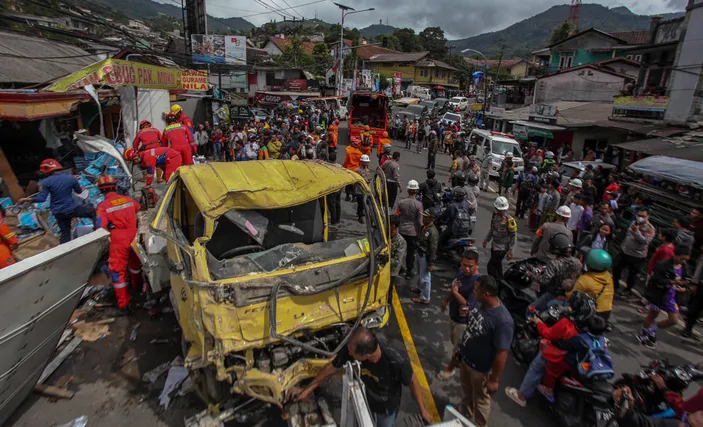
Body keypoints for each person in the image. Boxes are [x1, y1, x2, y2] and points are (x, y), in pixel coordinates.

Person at [292, 327, 433, 427]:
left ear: (365, 356)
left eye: (353, 354)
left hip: (386, 407)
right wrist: (306, 390)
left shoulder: (396, 361)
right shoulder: (353, 349)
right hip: (367, 398)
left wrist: (423, 410)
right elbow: (330, 369)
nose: (349, 355)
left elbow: (413, 381)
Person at [505, 291, 597, 407]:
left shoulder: (567, 324)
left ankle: (521, 395)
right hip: (574, 358)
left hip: (557, 355)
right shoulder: (588, 327)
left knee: (536, 367)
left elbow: (548, 334)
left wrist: (539, 323)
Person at [457, 275, 514, 427]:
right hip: (466, 361)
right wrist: (467, 313)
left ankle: (479, 424)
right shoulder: (480, 303)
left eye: (476, 290)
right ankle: (465, 411)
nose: (473, 292)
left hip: (480, 371)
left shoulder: (503, 321)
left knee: (481, 401)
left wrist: (494, 380)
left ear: (486, 294)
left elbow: (502, 353)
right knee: (467, 390)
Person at [18, 159, 95, 244]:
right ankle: (100, 231)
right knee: (93, 212)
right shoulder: (70, 177)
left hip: (58, 212)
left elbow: (42, 198)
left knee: (65, 232)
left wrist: (26, 199)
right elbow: (79, 191)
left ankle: (64, 250)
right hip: (71, 208)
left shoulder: (46, 182)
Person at [94, 175, 141, 315]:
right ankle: (137, 287)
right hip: (134, 234)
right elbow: (138, 208)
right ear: (115, 186)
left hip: (118, 238)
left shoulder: (103, 207)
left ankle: (124, 305)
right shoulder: (128, 199)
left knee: (117, 270)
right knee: (135, 265)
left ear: (101, 191)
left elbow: (100, 228)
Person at [637, 245, 690, 348]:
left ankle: (652, 330)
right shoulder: (662, 265)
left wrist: (683, 287)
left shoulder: (684, 266)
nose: (683, 261)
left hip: (671, 296)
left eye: (685, 260)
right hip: (658, 295)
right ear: (675, 254)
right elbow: (655, 281)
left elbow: (685, 280)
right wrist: (671, 282)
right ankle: (642, 334)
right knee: (652, 316)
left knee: (674, 320)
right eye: (681, 258)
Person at [438, 250, 480, 380]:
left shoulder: (477, 282)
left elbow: (469, 305)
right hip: (453, 315)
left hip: (463, 321)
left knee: (458, 347)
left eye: (470, 266)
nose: (466, 269)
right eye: (464, 265)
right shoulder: (460, 272)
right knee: (454, 340)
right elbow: (454, 288)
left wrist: (455, 293)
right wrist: (446, 300)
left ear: (477, 265)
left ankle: (450, 369)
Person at [530, 231, 582, 312]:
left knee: (530, 309)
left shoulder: (554, 263)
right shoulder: (577, 262)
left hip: (553, 293)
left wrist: (532, 276)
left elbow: (544, 280)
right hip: (569, 294)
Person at [612, 208, 656, 296]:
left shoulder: (650, 229)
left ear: (648, 217)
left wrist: (636, 231)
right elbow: (628, 233)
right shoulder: (634, 223)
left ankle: (628, 290)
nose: (640, 217)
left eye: (643, 216)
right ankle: (615, 285)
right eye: (639, 215)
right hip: (624, 251)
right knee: (616, 267)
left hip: (637, 255)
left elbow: (645, 241)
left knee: (632, 274)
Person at [570, 249, 614, 321]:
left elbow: (571, 296)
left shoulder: (584, 280)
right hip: (606, 312)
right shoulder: (608, 276)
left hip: (591, 313)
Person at [482, 196, 517, 280]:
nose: (500, 211)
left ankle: (497, 282)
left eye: (502, 210)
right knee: (498, 266)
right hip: (494, 246)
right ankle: (502, 280)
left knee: (490, 267)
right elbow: (492, 229)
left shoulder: (510, 220)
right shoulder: (494, 216)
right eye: (499, 209)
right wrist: (486, 239)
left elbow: (513, 237)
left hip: (502, 248)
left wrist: (510, 251)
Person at [396, 180, 423, 279]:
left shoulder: (401, 202)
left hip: (401, 230)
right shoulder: (419, 205)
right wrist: (421, 232)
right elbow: (420, 221)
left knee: (399, 251)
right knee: (411, 253)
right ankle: (409, 272)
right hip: (413, 232)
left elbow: (397, 216)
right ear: (416, 191)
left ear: (408, 190)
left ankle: (398, 268)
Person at [412, 209, 439, 304]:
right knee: (420, 274)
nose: (423, 218)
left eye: (425, 217)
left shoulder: (432, 232)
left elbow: (433, 249)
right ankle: (420, 288)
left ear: (430, 218)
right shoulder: (425, 227)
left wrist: (431, 263)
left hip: (425, 257)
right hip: (420, 254)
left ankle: (425, 297)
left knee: (425, 277)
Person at [389, 215, 407, 287]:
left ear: (393, 226)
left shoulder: (401, 241)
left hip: (391, 271)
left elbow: (397, 260)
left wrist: (385, 260)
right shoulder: (384, 236)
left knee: (388, 290)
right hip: (380, 269)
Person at [355, 155, 372, 223]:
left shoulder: (367, 169)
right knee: (361, 203)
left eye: (367, 162)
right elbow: (356, 180)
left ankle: (360, 212)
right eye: (365, 162)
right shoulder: (357, 170)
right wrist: (365, 181)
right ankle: (360, 216)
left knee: (364, 203)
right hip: (359, 190)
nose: (367, 163)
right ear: (361, 162)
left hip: (366, 189)